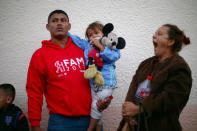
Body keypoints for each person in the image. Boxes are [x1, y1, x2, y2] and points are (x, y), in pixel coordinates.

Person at [26, 10, 110, 131]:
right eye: (55, 21)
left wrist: (105, 100)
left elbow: (103, 73)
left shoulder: (85, 49)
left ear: (69, 26)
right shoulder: (40, 55)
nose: (59, 23)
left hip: (91, 119)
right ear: (48, 27)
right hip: (60, 122)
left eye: (63, 20)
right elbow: (34, 91)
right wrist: (35, 124)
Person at [118, 24, 192, 131]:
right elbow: (132, 89)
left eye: (160, 34)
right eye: (154, 34)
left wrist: (140, 108)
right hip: (133, 125)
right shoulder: (145, 64)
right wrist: (128, 113)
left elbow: (171, 99)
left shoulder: (179, 66)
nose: (154, 36)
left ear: (171, 41)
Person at [69, 21, 121, 131]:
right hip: (93, 83)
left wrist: (101, 47)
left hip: (107, 83)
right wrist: (67, 33)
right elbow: (77, 40)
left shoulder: (109, 45)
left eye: (96, 33)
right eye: (90, 35)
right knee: (97, 106)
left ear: (104, 34)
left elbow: (115, 56)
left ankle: (90, 128)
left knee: (95, 106)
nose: (93, 36)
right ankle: (98, 127)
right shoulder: (88, 45)